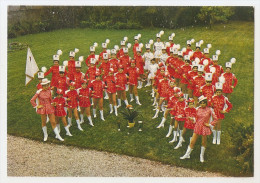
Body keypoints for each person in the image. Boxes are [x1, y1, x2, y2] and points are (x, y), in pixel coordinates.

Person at [180, 95, 218, 163]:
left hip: (204, 127)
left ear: (206, 103)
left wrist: (209, 124)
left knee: (203, 142)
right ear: (199, 103)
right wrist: (192, 119)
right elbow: (195, 118)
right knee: (192, 141)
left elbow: (216, 119)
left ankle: (201, 156)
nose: (202, 104)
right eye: (201, 103)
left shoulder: (210, 109)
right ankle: (187, 154)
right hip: (197, 126)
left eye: (204, 103)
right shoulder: (197, 109)